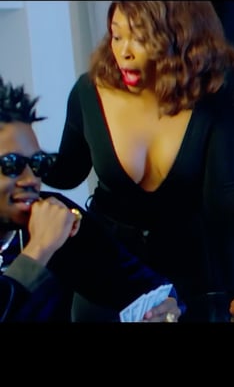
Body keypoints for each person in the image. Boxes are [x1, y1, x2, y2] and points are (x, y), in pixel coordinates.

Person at [42, 1, 234, 321]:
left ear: (179, 37)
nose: (123, 52)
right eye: (116, 36)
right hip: (107, 275)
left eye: (140, 38)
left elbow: (224, 201)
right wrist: (21, 159)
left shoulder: (212, 94)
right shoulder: (88, 91)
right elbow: (67, 172)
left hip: (190, 278)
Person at [0, 75, 183, 322]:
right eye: (11, 165)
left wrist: (167, 305)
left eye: (37, 163)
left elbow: (144, 284)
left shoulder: (54, 217)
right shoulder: (46, 236)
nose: (31, 179)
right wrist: (41, 248)